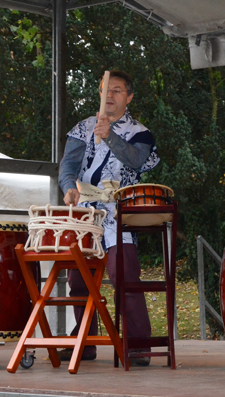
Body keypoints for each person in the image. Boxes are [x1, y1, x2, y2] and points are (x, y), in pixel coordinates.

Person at [58, 70, 160, 366]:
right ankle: (85, 341)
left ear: (128, 97)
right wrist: (68, 189)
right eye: (105, 90)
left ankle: (139, 345)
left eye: (117, 90)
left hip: (120, 208)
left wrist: (110, 137)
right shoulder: (83, 127)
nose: (110, 96)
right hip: (86, 207)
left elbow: (137, 160)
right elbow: (68, 167)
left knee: (124, 275)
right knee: (78, 278)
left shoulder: (140, 132)